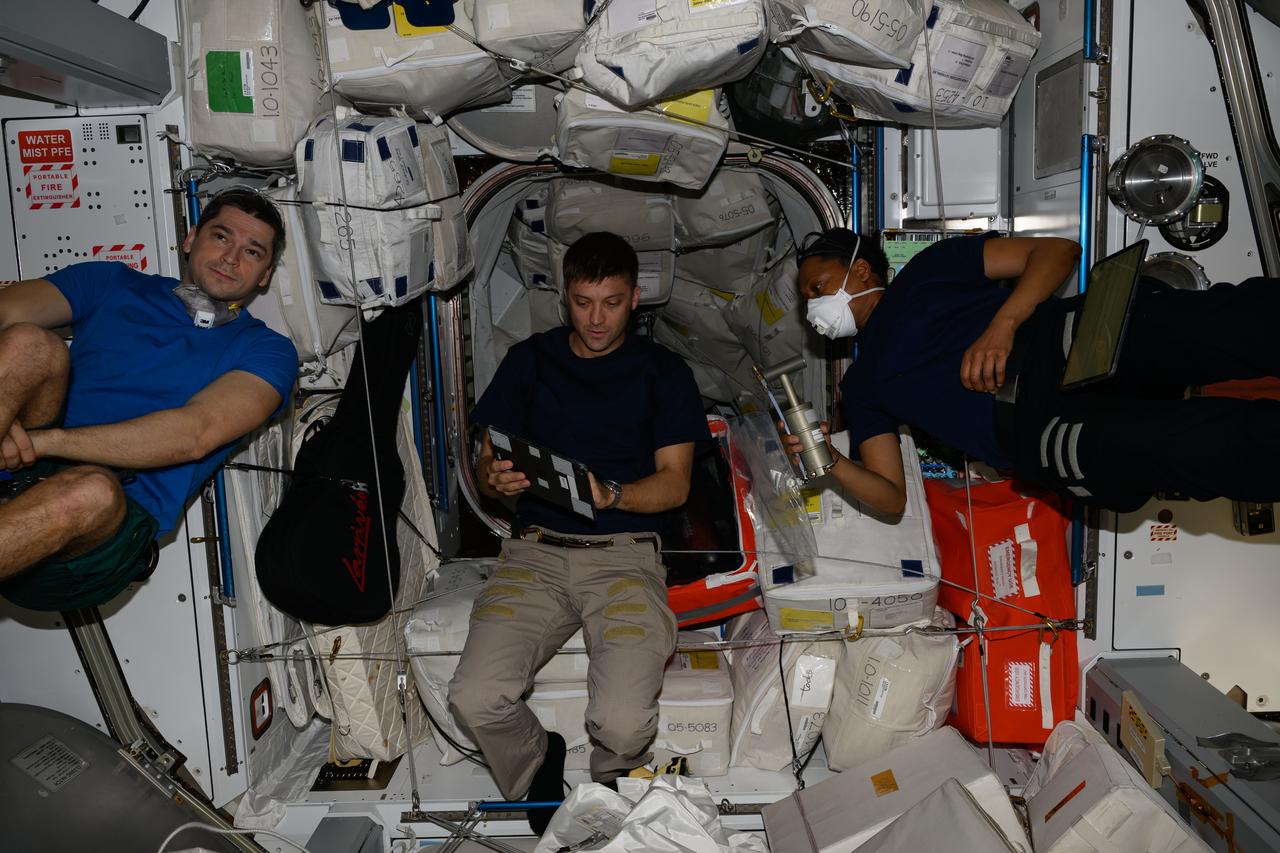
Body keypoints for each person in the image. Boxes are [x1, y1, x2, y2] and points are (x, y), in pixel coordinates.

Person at [449, 231, 709, 834]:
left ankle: (613, 786)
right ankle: (538, 761)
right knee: (475, 697)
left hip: (623, 556)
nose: (596, 318)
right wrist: (497, 480)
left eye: (611, 302)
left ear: (635, 298)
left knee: (622, 723)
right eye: (583, 302)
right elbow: (489, 472)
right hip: (534, 555)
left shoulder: (663, 372)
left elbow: (675, 486)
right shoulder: (529, 361)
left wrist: (610, 494)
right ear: (565, 296)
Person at [787, 228, 1280, 513]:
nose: (813, 309)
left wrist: (1003, 323)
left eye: (817, 287)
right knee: (1201, 449)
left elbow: (1058, 252)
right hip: (1043, 430)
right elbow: (891, 498)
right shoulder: (861, 386)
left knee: (1226, 325)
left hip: (1071, 342)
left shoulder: (928, 270)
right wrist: (831, 459)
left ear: (861, 270)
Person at [0, 188, 298, 610]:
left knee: (91, 490)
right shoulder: (112, 283)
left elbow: (195, 434)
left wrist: (39, 444)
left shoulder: (267, 351)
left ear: (265, 275)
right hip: (29, 459)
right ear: (191, 238)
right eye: (221, 237)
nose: (231, 258)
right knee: (30, 344)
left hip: (112, 520)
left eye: (252, 252)